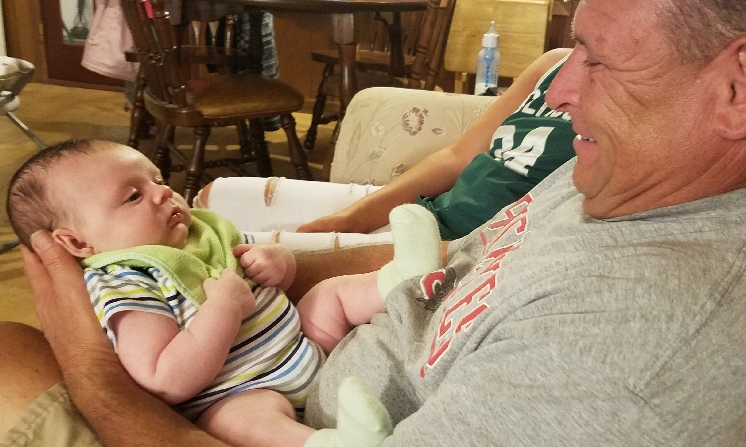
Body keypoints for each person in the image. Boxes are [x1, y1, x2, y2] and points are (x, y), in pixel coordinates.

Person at [4, 0, 746, 444]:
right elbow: (460, 256)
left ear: (744, 85)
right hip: (315, 348)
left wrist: (95, 372)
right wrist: (277, 262)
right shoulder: (642, 169)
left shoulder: (633, 361)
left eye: (601, 60)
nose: (557, 92)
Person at [4, 139, 444, 447]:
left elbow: (269, 273)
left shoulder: (198, 233)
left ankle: (405, 277)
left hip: (306, 345)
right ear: (77, 243)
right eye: (134, 196)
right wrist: (224, 308)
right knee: (241, 424)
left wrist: (277, 261)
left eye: (158, 179)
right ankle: (330, 443)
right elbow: (163, 378)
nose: (163, 193)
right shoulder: (125, 281)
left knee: (328, 294)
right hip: (241, 394)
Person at [193, 47, 576, 248]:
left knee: (218, 250)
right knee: (212, 199)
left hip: (461, 248)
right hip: (426, 212)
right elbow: (457, 157)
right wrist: (353, 219)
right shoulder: (554, 63)